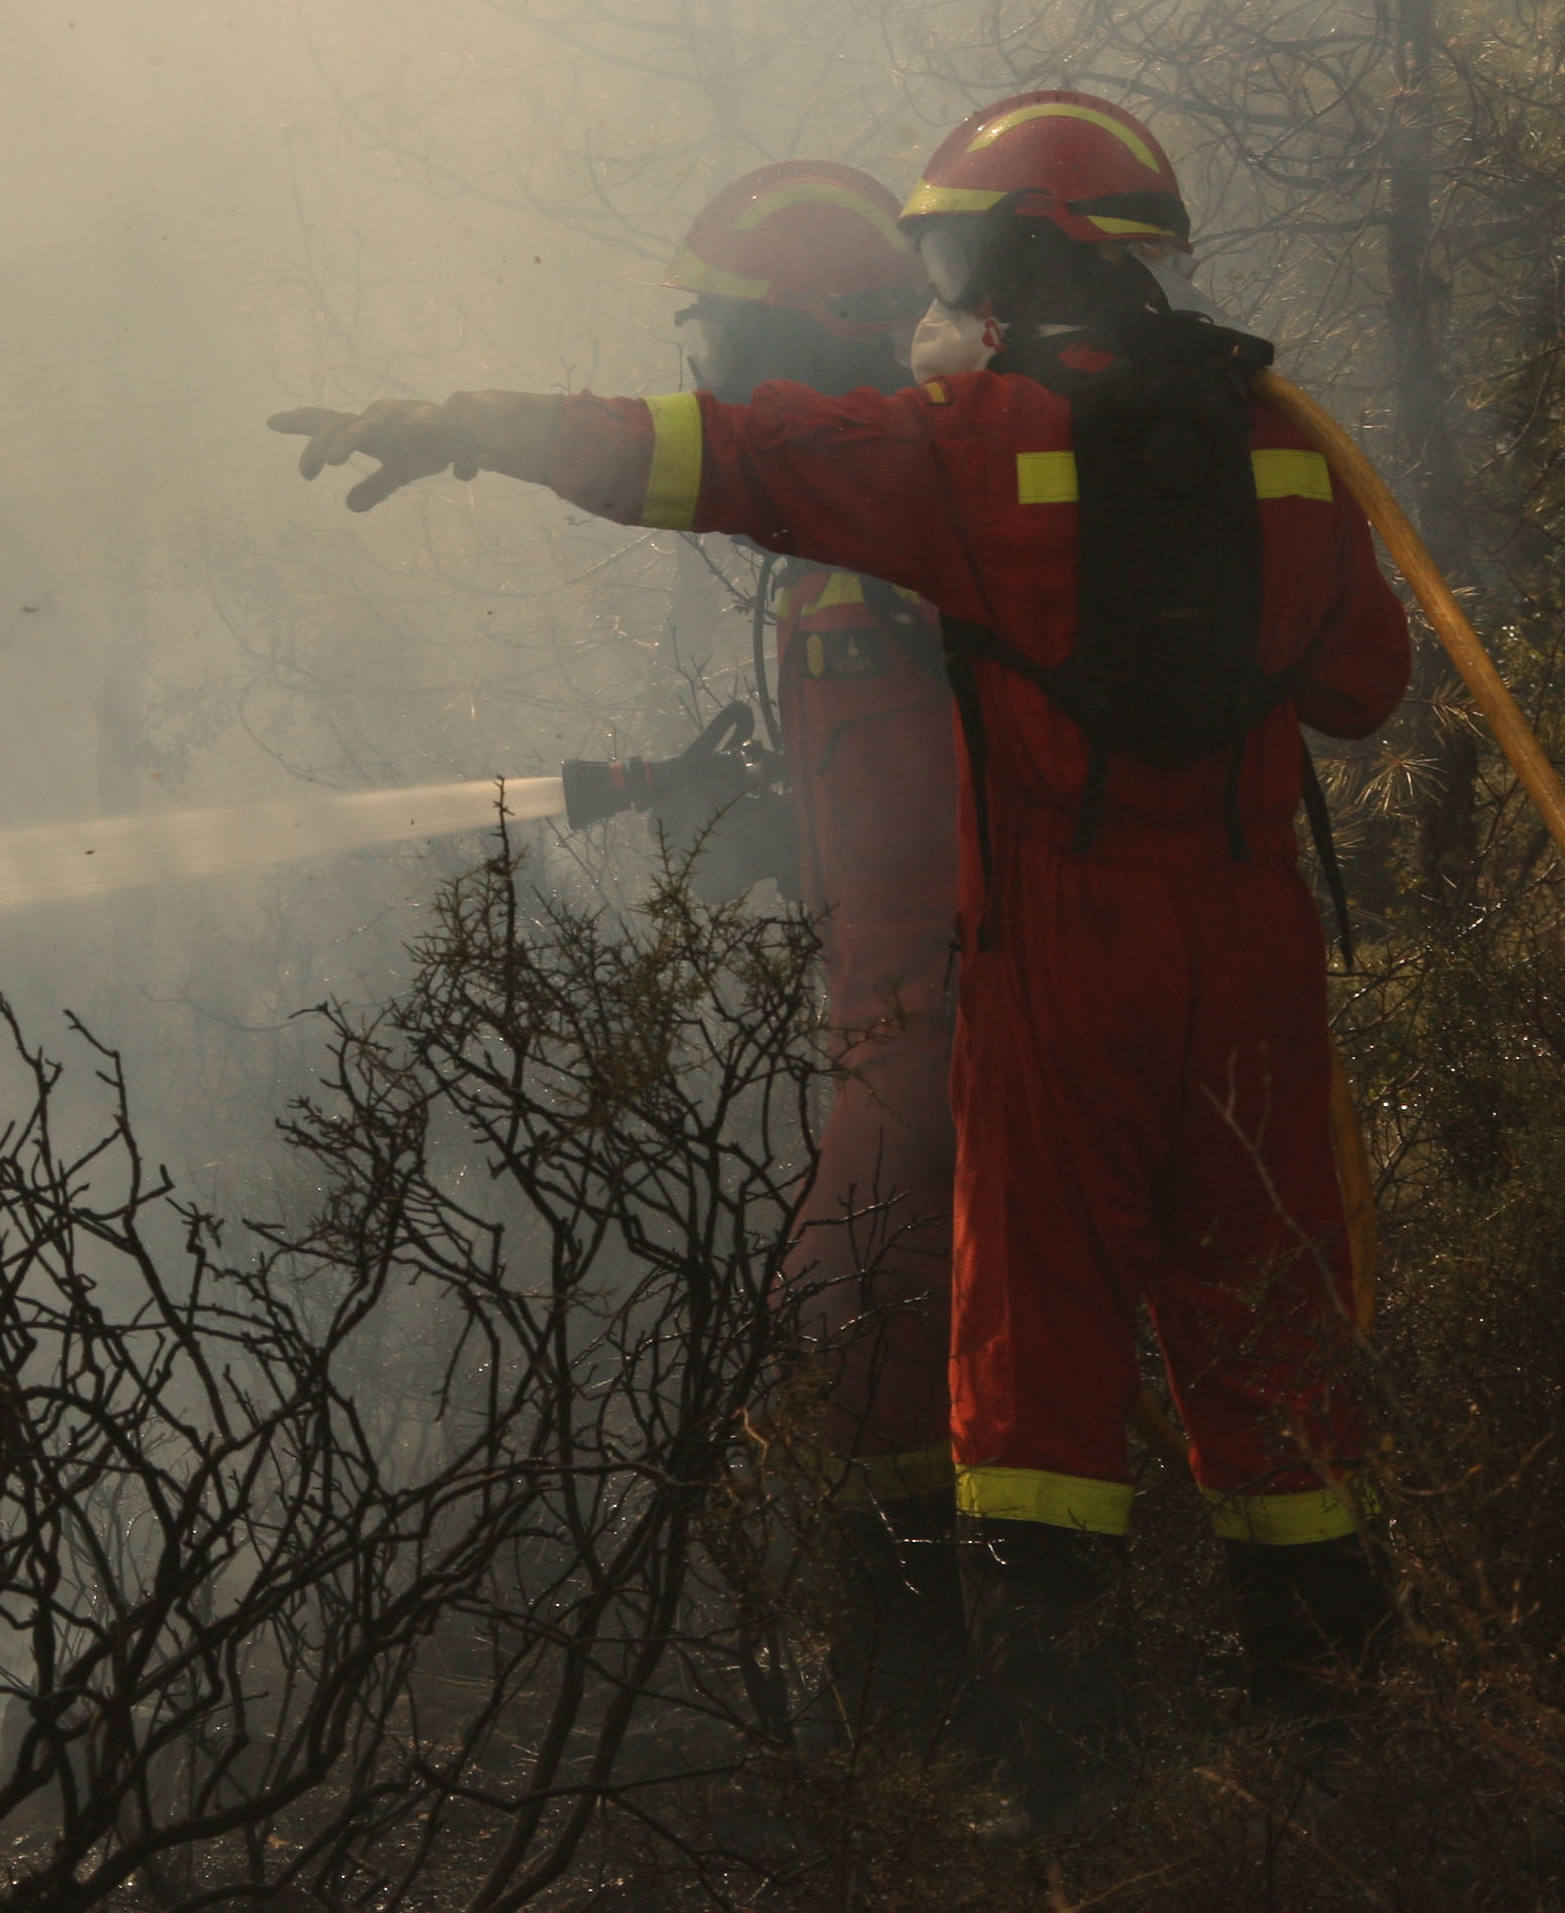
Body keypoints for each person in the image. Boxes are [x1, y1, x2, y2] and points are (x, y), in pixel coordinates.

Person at [272, 92, 1411, 1831]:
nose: (944, 295)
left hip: (1053, 951)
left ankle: (1053, 1797)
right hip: (1251, 955)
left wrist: (476, 427)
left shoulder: (970, 450)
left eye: (956, 258)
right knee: (1273, 1344)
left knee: (1026, 1363)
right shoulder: (1291, 448)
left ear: (1022, 255)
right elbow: (1365, 689)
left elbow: (718, 459)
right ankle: (1341, 1775)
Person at [643, 162, 967, 1740]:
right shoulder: (838, 533)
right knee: (872, 1312)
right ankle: (930, 1702)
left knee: (864, 1308)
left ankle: (924, 1707)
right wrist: (760, 830)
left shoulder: (914, 511)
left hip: (960, 999)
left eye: (727, 336)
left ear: (816, 333)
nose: (708, 372)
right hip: (899, 995)